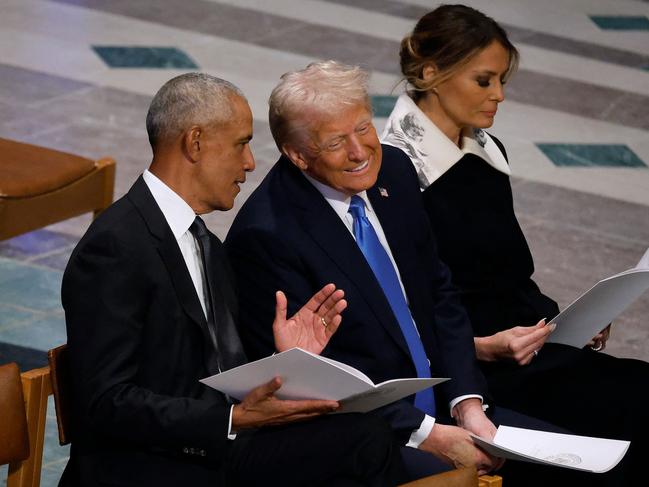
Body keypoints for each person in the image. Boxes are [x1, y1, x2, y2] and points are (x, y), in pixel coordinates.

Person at [224, 61, 603, 486]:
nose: (360, 151)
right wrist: (429, 434)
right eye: (335, 142)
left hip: (449, 402)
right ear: (297, 154)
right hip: (376, 433)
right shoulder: (266, 236)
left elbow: (438, 294)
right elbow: (312, 379)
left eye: (364, 128)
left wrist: (468, 404)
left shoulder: (395, 171)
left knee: (585, 469)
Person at [61, 73, 405, 487]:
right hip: (152, 464)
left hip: (218, 449)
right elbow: (104, 402)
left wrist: (288, 363)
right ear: (195, 143)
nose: (250, 162)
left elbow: (212, 366)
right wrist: (229, 419)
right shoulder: (115, 247)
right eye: (242, 143)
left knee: (364, 436)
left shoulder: (206, 243)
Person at [381, 5, 649, 485]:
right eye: (484, 81)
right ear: (430, 72)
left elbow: (503, 272)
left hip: (530, 346)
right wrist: (482, 349)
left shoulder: (488, 150)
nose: (499, 96)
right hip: (476, 372)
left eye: (502, 80)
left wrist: (568, 320)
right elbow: (403, 305)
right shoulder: (395, 172)